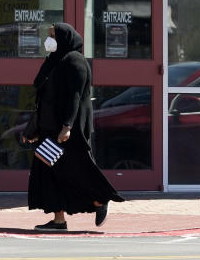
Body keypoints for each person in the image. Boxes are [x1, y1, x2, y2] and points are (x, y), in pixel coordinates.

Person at [22, 22, 124, 231]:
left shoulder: (75, 61)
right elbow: (42, 94)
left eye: (53, 36)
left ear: (64, 38)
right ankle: (59, 220)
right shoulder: (54, 60)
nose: (49, 40)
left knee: (74, 169)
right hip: (50, 128)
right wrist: (36, 128)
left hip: (69, 131)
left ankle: (100, 199)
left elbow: (74, 98)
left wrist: (67, 126)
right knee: (48, 172)